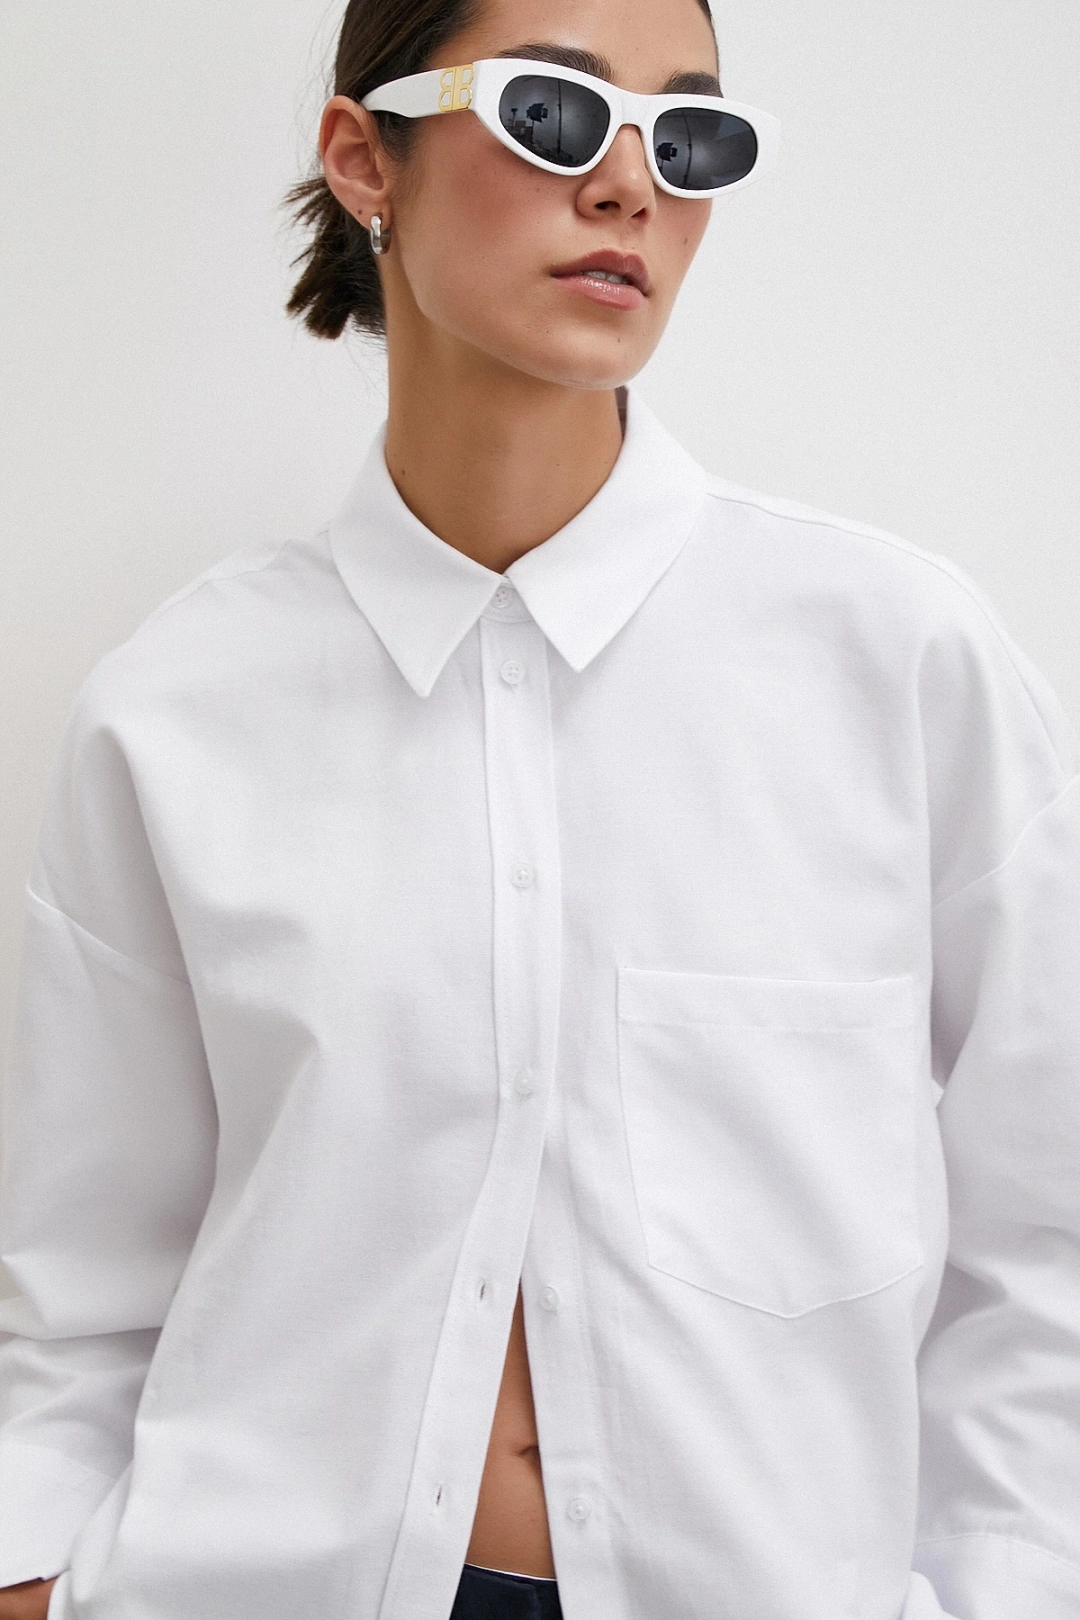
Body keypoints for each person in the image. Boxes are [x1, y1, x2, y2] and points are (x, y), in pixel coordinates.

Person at [2, 0, 1080, 1613]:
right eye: (555, 114)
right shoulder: (174, 714)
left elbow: (1048, 1243)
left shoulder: (901, 668)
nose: (631, 183)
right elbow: (80, 1290)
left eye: (689, 137)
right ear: (366, 157)